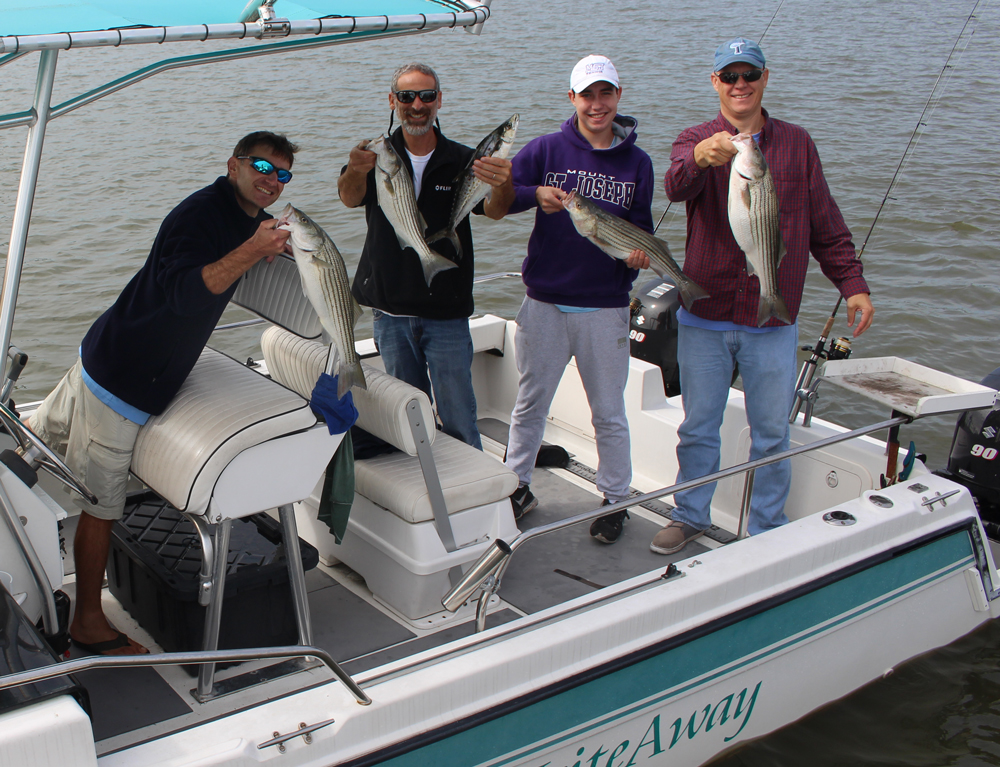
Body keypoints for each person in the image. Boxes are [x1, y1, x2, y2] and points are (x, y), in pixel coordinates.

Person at [29, 132, 297, 654]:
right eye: (262, 166)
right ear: (233, 164)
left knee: (31, 455)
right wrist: (250, 250)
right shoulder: (200, 214)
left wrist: (261, 248)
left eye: (282, 174)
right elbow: (183, 293)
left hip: (102, 351)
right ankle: (87, 622)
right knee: (101, 508)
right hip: (122, 379)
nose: (271, 180)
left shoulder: (241, 217)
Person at [649, 37, 875, 554]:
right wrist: (702, 160)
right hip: (705, 313)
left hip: (773, 319)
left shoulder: (797, 144)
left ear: (765, 79)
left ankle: (767, 528)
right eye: (729, 76)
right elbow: (676, 186)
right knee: (698, 427)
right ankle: (689, 515)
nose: (740, 85)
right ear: (715, 84)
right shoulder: (696, 138)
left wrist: (853, 285)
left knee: (772, 432)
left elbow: (826, 224)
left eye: (749, 74)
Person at [503, 54, 652, 544]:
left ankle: (616, 497)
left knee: (608, 411)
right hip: (544, 302)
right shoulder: (546, 149)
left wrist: (639, 256)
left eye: (605, 93)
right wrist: (533, 196)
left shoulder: (638, 162)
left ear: (618, 97)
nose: (596, 104)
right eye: (587, 95)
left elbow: (643, 230)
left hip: (605, 307)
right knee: (530, 404)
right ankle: (516, 485)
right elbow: (504, 194)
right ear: (572, 98)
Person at [338, 62, 514, 450]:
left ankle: (472, 496)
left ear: (439, 101)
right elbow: (349, 197)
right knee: (407, 413)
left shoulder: (464, 159)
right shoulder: (372, 156)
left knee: (459, 414)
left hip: (447, 310)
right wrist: (354, 168)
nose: (417, 104)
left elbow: (496, 210)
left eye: (426, 96)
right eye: (406, 96)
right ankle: (423, 487)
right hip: (391, 309)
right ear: (392, 101)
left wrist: (504, 183)